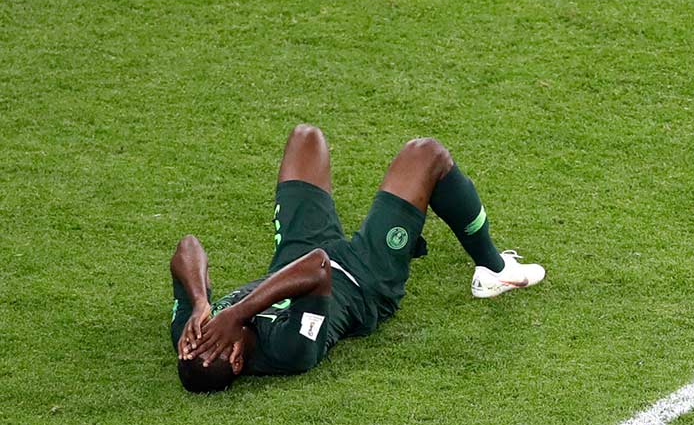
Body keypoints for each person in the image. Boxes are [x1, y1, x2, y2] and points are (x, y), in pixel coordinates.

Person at [169, 124, 545, 392]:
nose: (212, 324)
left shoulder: (194, 335)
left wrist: (200, 303)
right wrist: (236, 313)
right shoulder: (290, 350)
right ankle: (494, 269)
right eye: (215, 332)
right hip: (364, 277)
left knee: (306, 138)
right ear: (236, 360)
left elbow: (187, 247)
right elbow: (318, 267)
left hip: (293, 257)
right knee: (426, 154)